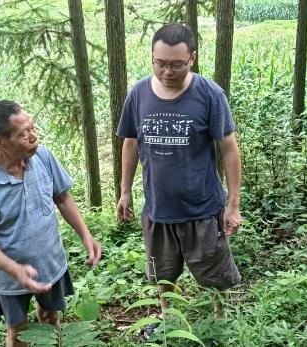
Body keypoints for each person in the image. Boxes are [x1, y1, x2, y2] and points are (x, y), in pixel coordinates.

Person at [116, 23, 242, 325]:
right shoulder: (138, 94)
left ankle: (219, 319)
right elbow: (131, 143)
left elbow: (229, 148)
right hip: (158, 209)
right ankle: (168, 320)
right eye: (160, 63)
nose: (167, 72)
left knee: (215, 273)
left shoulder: (210, 94)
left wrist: (233, 204)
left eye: (176, 65)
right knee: (163, 273)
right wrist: (125, 191)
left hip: (202, 208)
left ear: (192, 58)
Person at [0, 100, 102, 347]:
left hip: (50, 262)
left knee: (50, 317)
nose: (33, 137)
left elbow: (62, 197)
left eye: (33, 128)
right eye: (23, 133)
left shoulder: (43, 157)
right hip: (10, 277)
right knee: (18, 332)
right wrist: (17, 271)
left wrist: (86, 236)